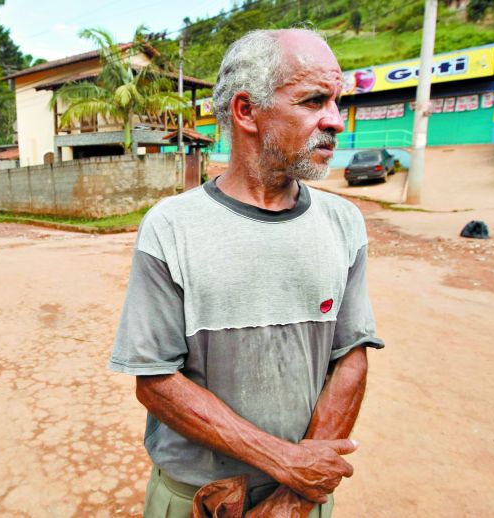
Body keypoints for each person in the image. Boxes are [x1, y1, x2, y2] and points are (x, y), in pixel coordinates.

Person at [108, 28, 384, 517]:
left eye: (336, 101)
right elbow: (153, 378)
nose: (335, 121)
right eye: (314, 100)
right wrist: (285, 462)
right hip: (198, 500)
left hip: (304, 499)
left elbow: (351, 356)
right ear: (245, 111)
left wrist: (294, 497)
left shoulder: (344, 223)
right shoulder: (172, 227)